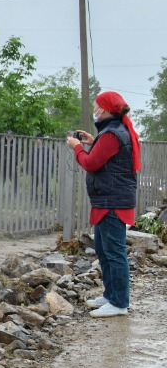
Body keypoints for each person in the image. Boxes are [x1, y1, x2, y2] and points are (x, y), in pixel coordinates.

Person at [68, 90, 142, 318]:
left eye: (97, 106)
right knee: (102, 248)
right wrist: (93, 141)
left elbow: (91, 163)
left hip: (113, 201)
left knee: (114, 252)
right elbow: (106, 155)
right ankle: (111, 295)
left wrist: (77, 147)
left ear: (106, 110)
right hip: (107, 199)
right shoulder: (113, 132)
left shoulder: (112, 134)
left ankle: (119, 303)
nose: (95, 110)